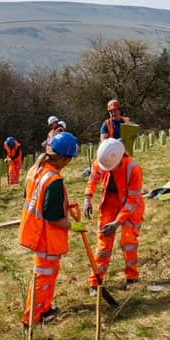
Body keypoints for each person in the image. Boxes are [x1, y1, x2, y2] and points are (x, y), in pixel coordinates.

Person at [19, 131, 86, 326]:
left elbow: (32, 198)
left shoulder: (35, 170)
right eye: (70, 159)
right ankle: (31, 318)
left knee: (48, 274)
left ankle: (45, 309)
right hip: (45, 236)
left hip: (35, 231)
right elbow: (53, 217)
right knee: (43, 277)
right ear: (64, 158)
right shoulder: (53, 181)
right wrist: (74, 226)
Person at [83, 138, 144, 295]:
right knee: (103, 242)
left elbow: (132, 200)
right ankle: (95, 282)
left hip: (131, 205)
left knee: (128, 241)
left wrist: (117, 222)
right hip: (109, 201)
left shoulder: (133, 168)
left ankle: (132, 278)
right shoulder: (102, 160)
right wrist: (87, 197)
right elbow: (94, 178)